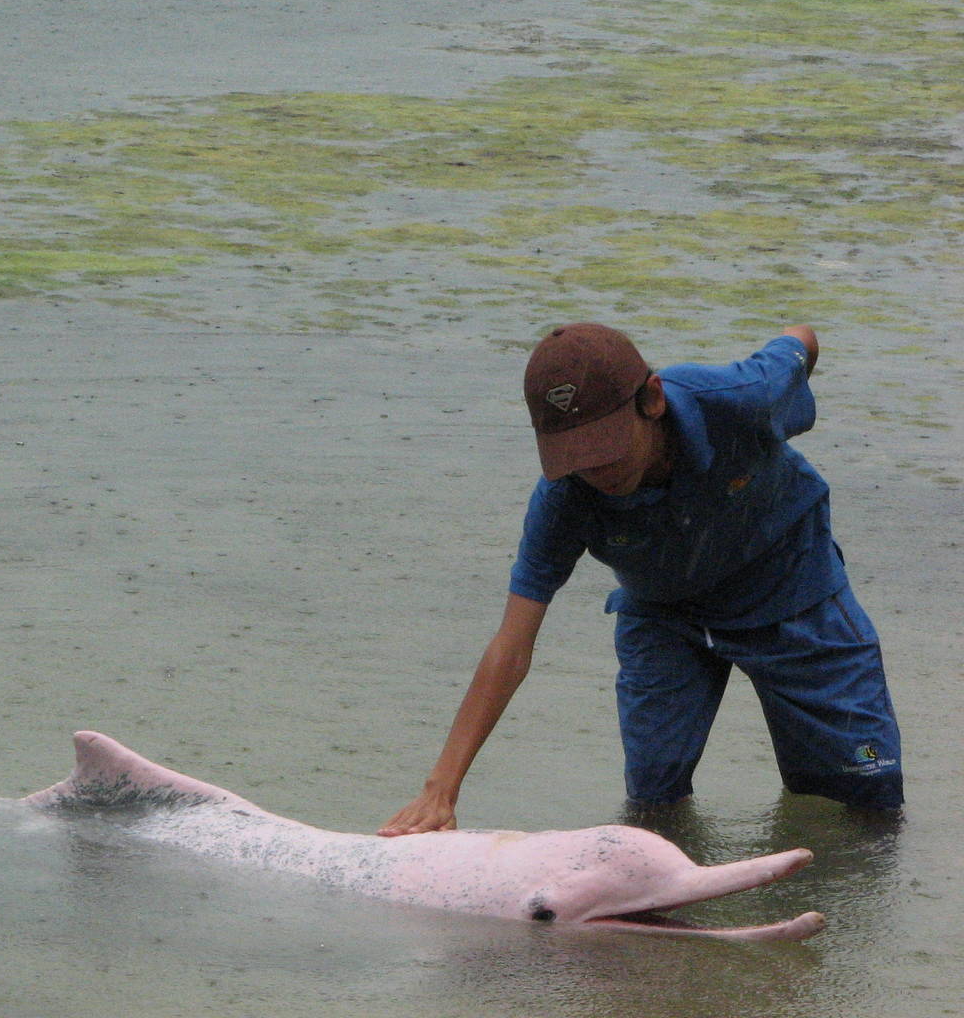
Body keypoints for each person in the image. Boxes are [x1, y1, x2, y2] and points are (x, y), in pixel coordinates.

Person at [379, 322, 903, 836]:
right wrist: (440, 789)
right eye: (574, 457)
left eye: (606, 446)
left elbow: (801, 337)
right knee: (653, 812)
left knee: (863, 807)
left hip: (794, 592)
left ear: (652, 400)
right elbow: (511, 647)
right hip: (664, 615)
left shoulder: (741, 398)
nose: (597, 471)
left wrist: (795, 381)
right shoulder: (565, 500)